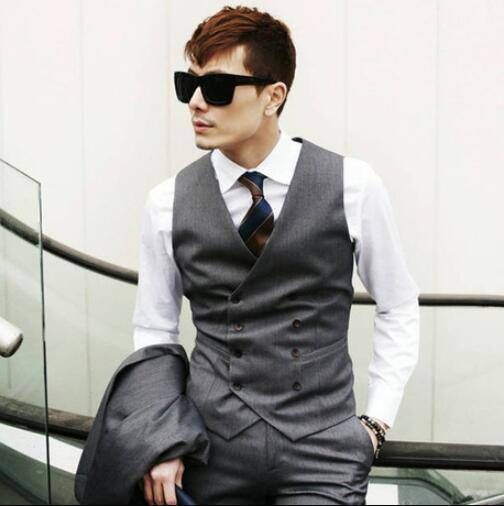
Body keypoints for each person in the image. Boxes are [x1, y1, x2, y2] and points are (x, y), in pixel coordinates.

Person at [132, 5, 420, 505]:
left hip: (324, 454)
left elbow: (398, 305)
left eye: (217, 88)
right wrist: (163, 435)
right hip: (209, 450)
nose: (196, 102)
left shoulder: (353, 186)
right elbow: (154, 332)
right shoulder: (166, 203)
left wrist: (376, 422)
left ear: (274, 96)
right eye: (188, 85)